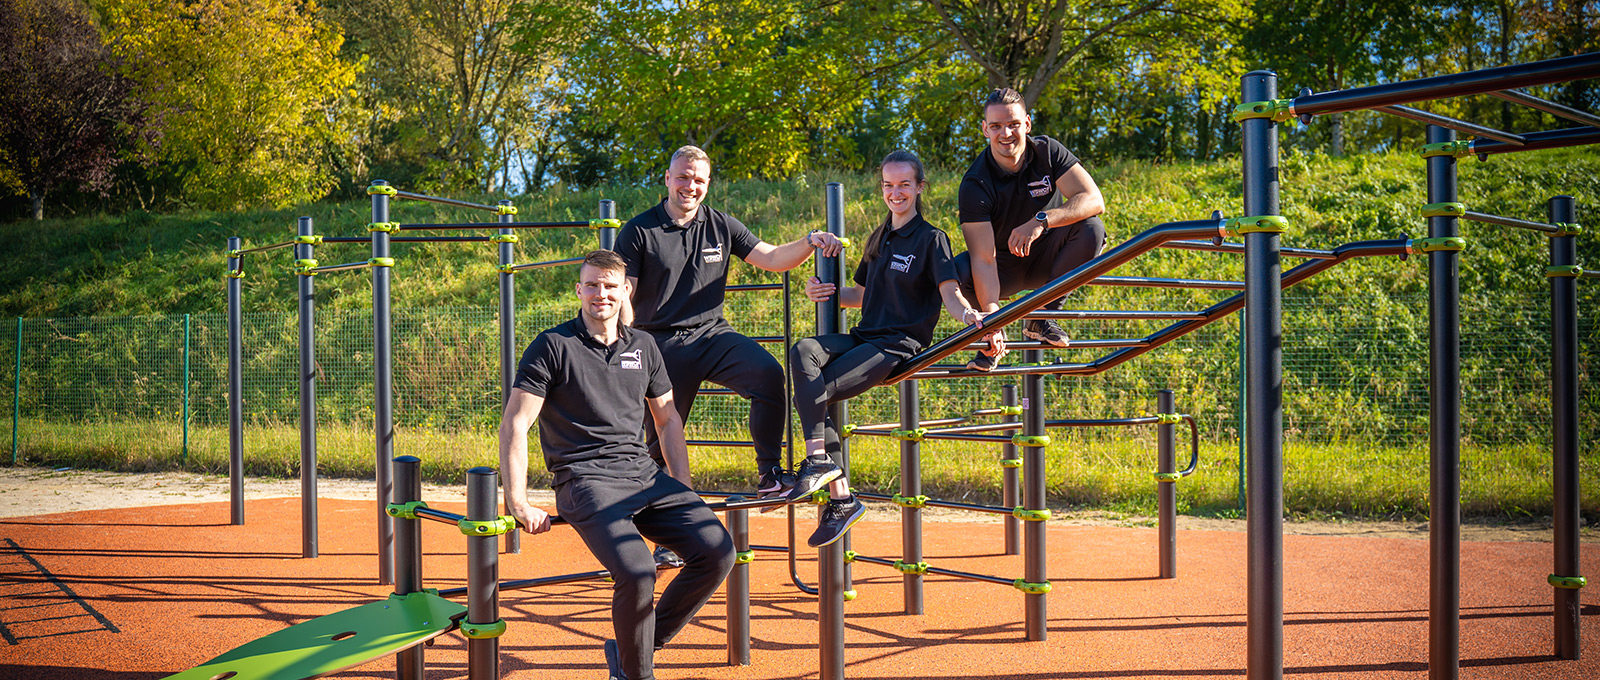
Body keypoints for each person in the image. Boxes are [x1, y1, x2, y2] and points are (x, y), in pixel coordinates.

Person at [499, 249, 735, 680]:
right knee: (639, 572)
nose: (600, 294)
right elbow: (516, 422)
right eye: (591, 285)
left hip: (644, 475)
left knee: (718, 552)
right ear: (579, 290)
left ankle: (635, 649)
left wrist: (683, 487)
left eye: (610, 286)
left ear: (626, 289)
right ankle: (635, 671)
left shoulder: (643, 346)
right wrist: (518, 502)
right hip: (585, 479)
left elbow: (667, 419)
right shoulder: (554, 345)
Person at [616, 145, 842, 563]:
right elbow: (623, 292)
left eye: (699, 180)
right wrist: (628, 341)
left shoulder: (720, 224)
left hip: (711, 334)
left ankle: (769, 475)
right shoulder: (639, 230)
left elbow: (772, 257)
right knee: (661, 444)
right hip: (659, 343)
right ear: (667, 179)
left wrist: (811, 241)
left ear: (707, 184)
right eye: (683, 177)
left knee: (768, 375)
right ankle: (671, 538)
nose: (690, 186)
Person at [787, 150, 1000, 547]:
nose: (895, 192)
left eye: (904, 184)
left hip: (897, 344)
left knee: (817, 394)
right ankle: (834, 487)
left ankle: (834, 487)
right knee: (804, 351)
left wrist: (970, 313)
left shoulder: (931, 238)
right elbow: (861, 295)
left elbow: (949, 291)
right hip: (865, 335)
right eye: (888, 185)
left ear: (919, 187)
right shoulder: (880, 236)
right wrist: (823, 291)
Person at [955, 87, 1108, 371]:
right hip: (1003, 267)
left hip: (1051, 257)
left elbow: (1093, 199)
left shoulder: (1047, 151)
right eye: (996, 126)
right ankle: (989, 340)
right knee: (959, 271)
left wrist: (1040, 220)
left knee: (1092, 228)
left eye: (1013, 124)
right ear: (985, 129)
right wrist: (993, 319)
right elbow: (984, 259)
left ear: (1027, 124)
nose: (1006, 133)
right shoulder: (975, 183)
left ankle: (1043, 316)